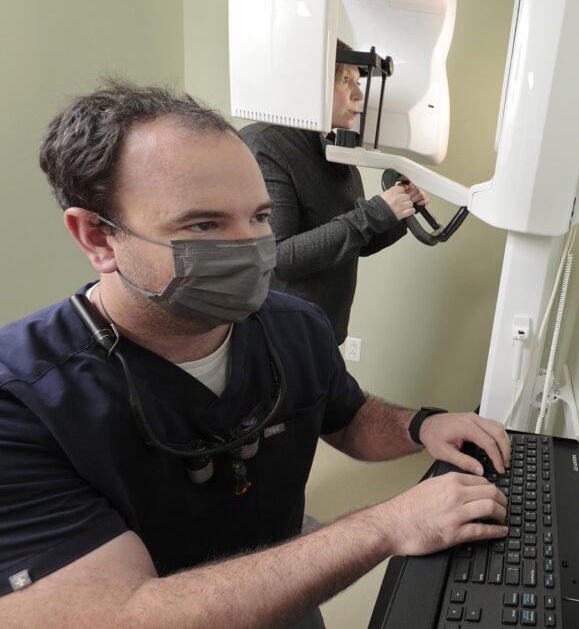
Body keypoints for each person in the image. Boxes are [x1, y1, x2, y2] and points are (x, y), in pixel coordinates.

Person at [0, 81, 509, 628]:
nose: (253, 250)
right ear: (98, 238)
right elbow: (117, 616)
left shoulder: (295, 326)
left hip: (286, 595)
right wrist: (387, 525)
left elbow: (348, 418)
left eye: (260, 217)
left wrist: (420, 425)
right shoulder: (20, 399)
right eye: (204, 224)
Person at [239, 41, 426, 345]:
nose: (359, 94)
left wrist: (397, 213)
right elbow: (280, 257)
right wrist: (375, 211)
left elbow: (354, 242)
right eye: (345, 80)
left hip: (324, 330)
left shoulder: (333, 150)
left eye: (358, 81)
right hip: (281, 337)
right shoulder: (265, 145)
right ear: (311, 84)